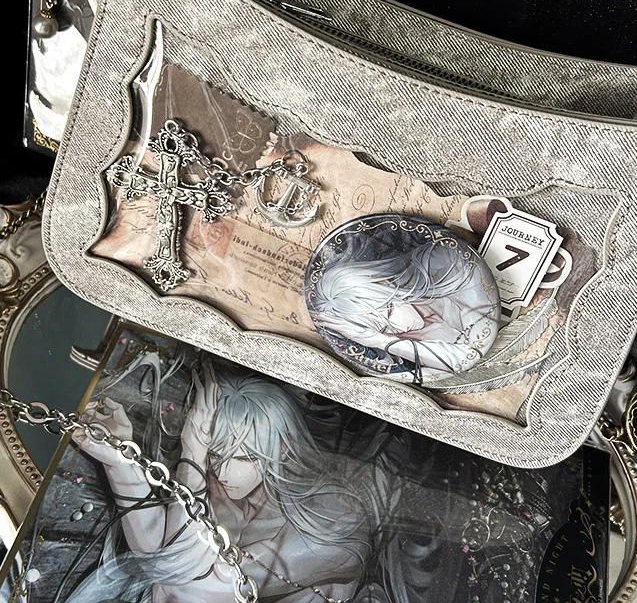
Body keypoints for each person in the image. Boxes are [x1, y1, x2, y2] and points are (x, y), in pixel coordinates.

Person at [68, 361, 382, 602]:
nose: (223, 471)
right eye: (215, 454)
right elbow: (153, 548)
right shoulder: (222, 491)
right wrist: (119, 460)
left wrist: (194, 450)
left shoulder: (332, 522)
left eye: (244, 458)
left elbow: (189, 585)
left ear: (283, 450)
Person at [308, 239, 500, 383]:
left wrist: (381, 340)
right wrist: (378, 340)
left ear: (384, 282)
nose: (397, 329)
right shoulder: (402, 338)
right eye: (383, 329)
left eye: (389, 311)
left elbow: (468, 356)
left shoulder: (449, 264)